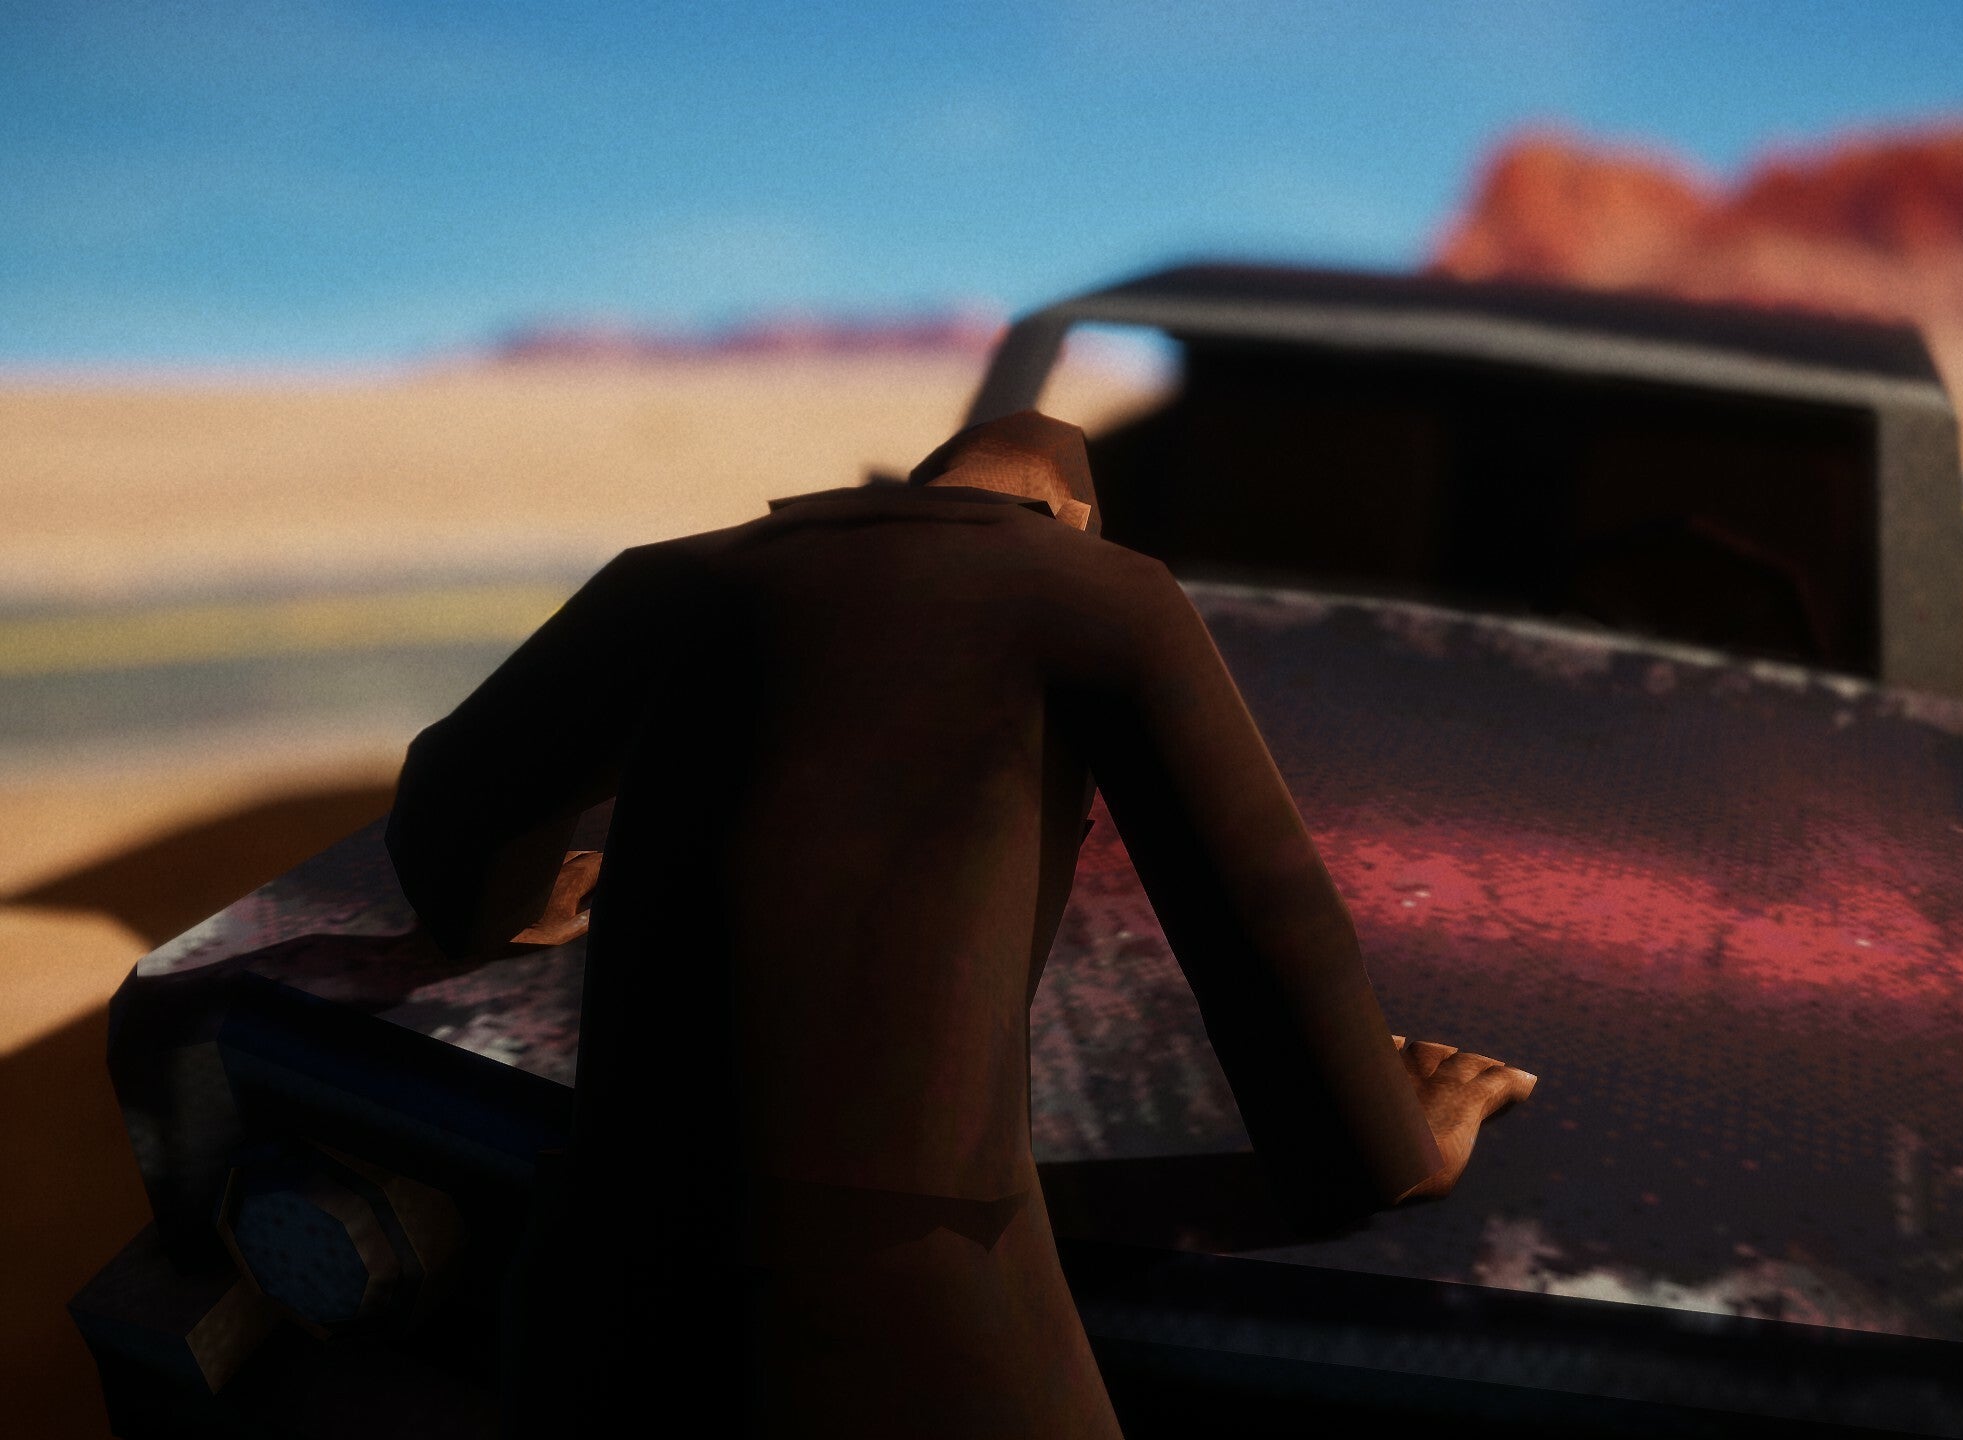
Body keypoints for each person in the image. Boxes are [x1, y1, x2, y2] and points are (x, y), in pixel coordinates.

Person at [385, 411, 1536, 1438]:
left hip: (601, 1258)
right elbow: (1269, 925)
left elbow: (451, 794)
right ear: (1071, 513)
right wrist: (1398, 1144)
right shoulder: (1106, 591)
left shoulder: (673, 576)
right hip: (911, 1282)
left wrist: (516, 906)